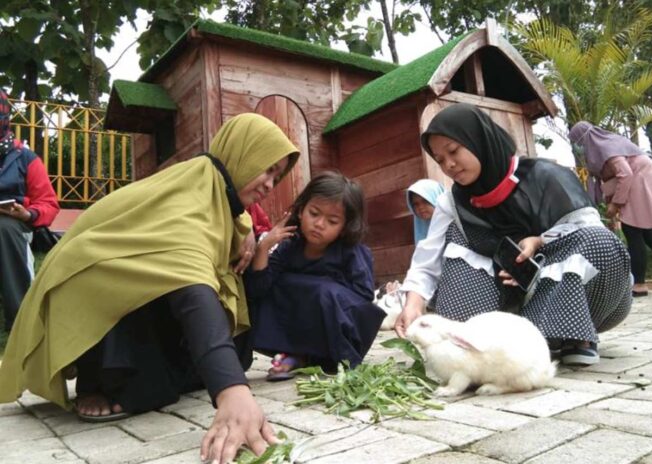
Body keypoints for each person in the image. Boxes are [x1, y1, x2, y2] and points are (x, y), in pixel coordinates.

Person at [0, 113, 299, 464]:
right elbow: (192, 286)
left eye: (277, 177)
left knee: (237, 340)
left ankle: (155, 375)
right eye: (267, 169)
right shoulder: (193, 192)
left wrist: (246, 228)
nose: (269, 184)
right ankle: (100, 380)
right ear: (241, 154)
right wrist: (231, 392)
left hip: (162, 293)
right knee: (149, 366)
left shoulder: (226, 200)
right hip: (96, 284)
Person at [395, 104, 633, 367]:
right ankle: (513, 340)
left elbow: (587, 231)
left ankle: (572, 336)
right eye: (439, 159)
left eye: (454, 151)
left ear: (480, 140)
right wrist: (413, 303)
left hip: (586, 297)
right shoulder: (453, 202)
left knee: (600, 240)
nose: (449, 164)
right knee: (455, 234)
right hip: (503, 302)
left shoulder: (546, 176)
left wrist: (540, 241)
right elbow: (428, 258)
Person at [246, 171, 385, 380]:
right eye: (314, 213)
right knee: (279, 284)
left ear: (344, 227)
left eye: (332, 220)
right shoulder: (289, 247)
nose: (319, 224)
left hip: (341, 333)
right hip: (302, 328)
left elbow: (364, 299)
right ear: (301, 211)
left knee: (323, 292)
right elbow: (259, 289)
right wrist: (264, 247)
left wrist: (322, 288)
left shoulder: (351, 251)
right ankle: (298, 355)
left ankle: (337, 360)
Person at [569, 121, 652, 296]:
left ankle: (639, 284)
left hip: (641, 183)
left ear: (586, 138)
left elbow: (625, 173)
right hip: (644, 182)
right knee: (650, 235)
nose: (579, 148)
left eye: (579, 142)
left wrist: (616, 203)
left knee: (633, 231)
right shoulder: (609, 144)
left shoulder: (607, 148)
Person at [0, 89, 59, 331]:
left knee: (3, 228)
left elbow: (48, 203)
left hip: (14, 224)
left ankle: (23, 322)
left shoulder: (26, 158)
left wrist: (28, 214)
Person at [406, 179, 445, 244]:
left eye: (426, 201)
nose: (420, 207)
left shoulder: (455, 228)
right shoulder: (421, 234)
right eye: (415, 204)